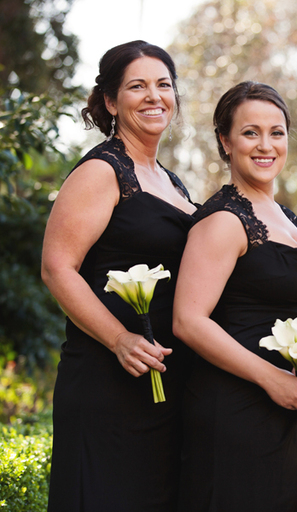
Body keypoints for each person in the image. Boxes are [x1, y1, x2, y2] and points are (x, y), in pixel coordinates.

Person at [41, 41, 196, 511]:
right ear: (111, 101)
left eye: (163, 85)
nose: (154, 96)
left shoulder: (172, 182)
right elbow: (56, 267)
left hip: (165, 383)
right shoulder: (102, 171)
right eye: (137, 86)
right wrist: (119, 339)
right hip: (106, 383)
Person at [172, 81, 297, 512]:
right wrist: (271, 377)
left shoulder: (287, 218)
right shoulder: (222, 220)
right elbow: (189, 320)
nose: (266, 145)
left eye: (277, 133)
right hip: (232, 405)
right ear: (225, 140)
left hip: (281, 405)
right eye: (250, 132)